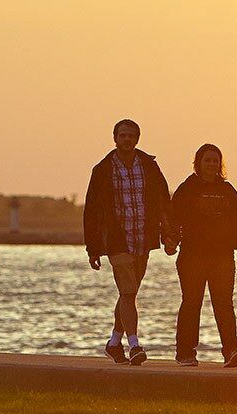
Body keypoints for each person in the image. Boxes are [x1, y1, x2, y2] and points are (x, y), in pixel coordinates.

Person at [83, 119, 174, 366]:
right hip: (116, 240)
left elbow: (163, 201)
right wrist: (93, 248)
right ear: (114, 138)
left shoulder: (149, 166)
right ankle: (134, 345)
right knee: (128, 292)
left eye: (131, 135)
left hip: (143, 238)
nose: (127, 139)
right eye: (122, 135)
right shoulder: (102, 169)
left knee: (128, 296)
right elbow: (91, 211)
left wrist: (169, 234)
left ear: (137, 138)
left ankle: (114, 343)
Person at [168, 143, 237, 368]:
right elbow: (173, 218)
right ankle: (185, 352)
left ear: (220, 164)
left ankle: (232, 350)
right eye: (207, 160)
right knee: (191, 303)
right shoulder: (188, 188)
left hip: (222, 258)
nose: (211, 164)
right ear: (198, 163)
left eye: (215, 160)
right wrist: (171, 241)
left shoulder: (228, 190)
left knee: (224, 304)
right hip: (192, 257)